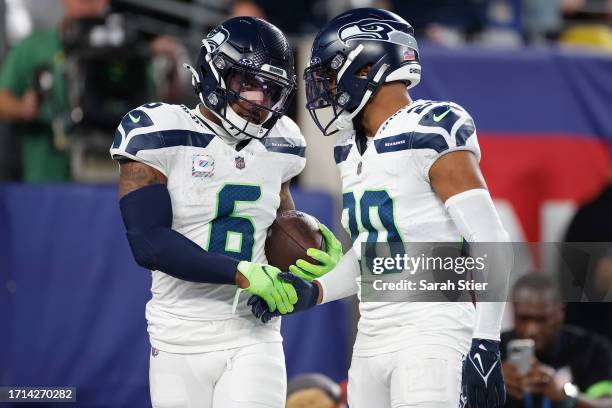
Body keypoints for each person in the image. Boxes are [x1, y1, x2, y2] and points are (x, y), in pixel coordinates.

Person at [250, 7, 511, 408]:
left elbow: (490, 237)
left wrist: (487, 340)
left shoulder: (431, 125)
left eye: (330, 75)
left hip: (432, 331)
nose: (326, 89)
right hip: (372, 335)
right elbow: (371, 258)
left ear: (365, 66)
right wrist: (312, 291)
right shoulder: (349, 148)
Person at [110, 17, 337, 408]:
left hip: (252, 332)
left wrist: (308, 254)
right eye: (249, 83)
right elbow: (148, 242)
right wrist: (240, 272)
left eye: (272, 91)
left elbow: (279, 229)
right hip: (177, 332)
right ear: (215, 73)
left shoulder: (283, 142)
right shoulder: (159, 130)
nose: (260, 102)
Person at [0, 0, 183, 182]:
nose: (88, 2)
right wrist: (25, 107)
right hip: (50, 178)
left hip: (115, 176)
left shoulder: (132, 48)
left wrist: (170, 67)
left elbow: (164, 100)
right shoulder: (36, 47)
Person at [501, 273, 612, 407]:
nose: (531, 330)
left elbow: (606, 403)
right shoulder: (493, 350)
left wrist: (567, 395)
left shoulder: (590, 348)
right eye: (523, 318)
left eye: (542, 319)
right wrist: (492, 383)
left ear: (561, 311)